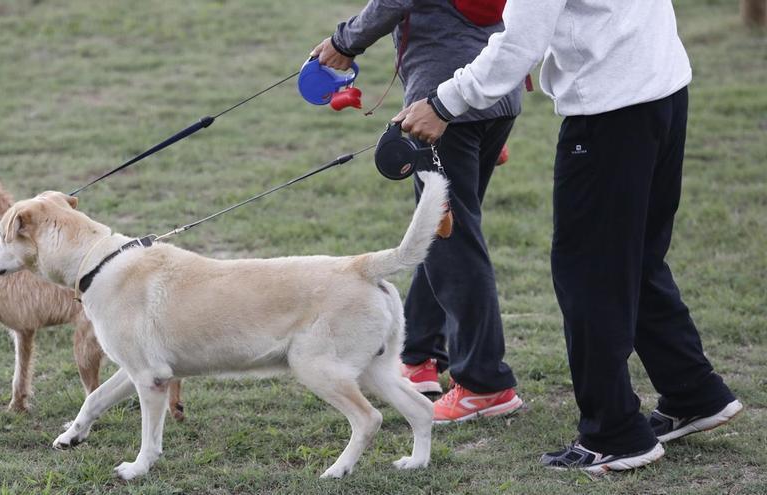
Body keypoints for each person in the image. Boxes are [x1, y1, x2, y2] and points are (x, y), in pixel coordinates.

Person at [394, 0, 743, 473]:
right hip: (663, 92)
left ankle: (615, 434)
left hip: (609, 113)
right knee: (637, 260)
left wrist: (442, 103)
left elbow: (518, 44)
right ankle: (693, 392)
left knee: (588, 276)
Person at [311, 0, 524, 423]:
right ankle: (420, 356)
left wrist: (344, 43)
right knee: (443, 231)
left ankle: (485, 383)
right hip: (495, 94)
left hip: (443, 102)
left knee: (452, 242)